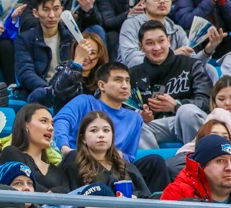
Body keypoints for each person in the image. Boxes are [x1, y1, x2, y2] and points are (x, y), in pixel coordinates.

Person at [53, 62, 171, 192]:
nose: (125, 86)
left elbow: (129, 157)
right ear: (102, 85)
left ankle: (159, 207)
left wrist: (117, 156)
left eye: (127, 81)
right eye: (118, 80)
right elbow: (62, 120)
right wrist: (64, 148)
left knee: (155, 162)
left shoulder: (135, 118)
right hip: (83, 163)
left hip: (113, 165)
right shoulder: (85, 101)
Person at [130, 20, 212, 149]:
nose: (157, 48)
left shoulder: (191, 65)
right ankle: (156, 166)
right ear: (141, 46)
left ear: (169, 40)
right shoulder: (133, 74)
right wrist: (140, 114)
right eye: (150, 43)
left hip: (188, 120)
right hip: (156, 125)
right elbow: (123, 109)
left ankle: (197, 162)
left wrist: (176, 105)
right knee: (135, 123)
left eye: (161, 41)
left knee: (187, 111)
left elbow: (207, 102)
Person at [14, 0, 89, 108]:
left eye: (56, 9)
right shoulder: (24, 39)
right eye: (46, 10)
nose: (52, 15)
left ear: (62, 10)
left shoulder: (72, 37)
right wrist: (50, 90)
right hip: (41, 92)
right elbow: (25, 72)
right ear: (35, 13)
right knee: (40, 94)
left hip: (66, 90)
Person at [120, 0, 223, 68]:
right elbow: (132, 60)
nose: (161, 1)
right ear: (143, 3)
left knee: (209, 69)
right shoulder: (131, 24)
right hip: (140, 75)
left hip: (170, 76)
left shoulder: (177, 29)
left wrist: (208, 50)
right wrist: (171, 55)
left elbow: (193, 63)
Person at [61, 111, 151, 197]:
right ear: (83, 138)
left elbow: (148, 198)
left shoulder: (125, 166)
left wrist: (134, 197)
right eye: (94, 130)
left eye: (106, 130)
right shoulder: (74, 160)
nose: (101, 135)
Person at [0, 103, 66, 192]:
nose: (51, 128)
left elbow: (68, 193)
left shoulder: (57, 170)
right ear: (25, 125)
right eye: (44, 121)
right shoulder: (11, 153)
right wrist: (50, 196)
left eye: (52, 124)